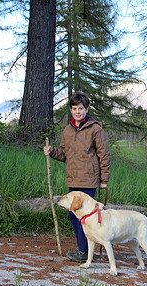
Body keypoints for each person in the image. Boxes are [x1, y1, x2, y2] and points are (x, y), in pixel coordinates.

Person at [44, 91, 111, 263]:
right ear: (71, 110)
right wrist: (52, 152)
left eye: (80, 108)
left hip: (88, 180)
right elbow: (64, 154)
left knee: (86, 217)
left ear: (86, 109)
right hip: (72, 179)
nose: (77, 112)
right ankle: (84, 249)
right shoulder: (67, 130)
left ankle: (84, 252)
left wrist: (104, 181)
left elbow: (104, 155)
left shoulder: (95, 129)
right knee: (73, 216)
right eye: (74, 109)